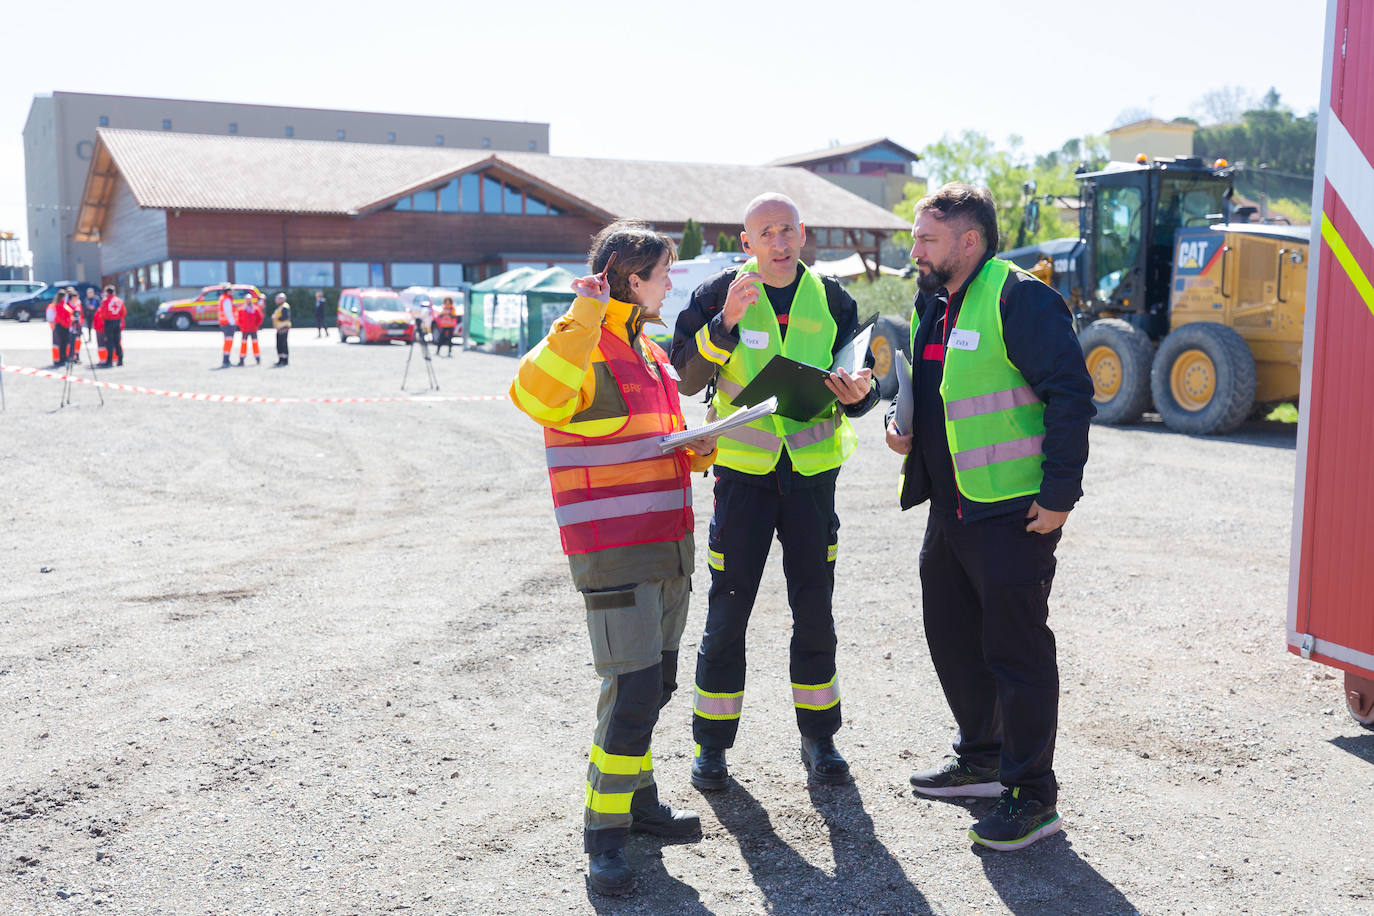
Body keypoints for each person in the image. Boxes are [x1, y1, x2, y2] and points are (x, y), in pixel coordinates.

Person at [884, 182, 1094, 852]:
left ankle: (1032, 797)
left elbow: (1070, 393)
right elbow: (933, 387)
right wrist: (901, 424)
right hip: (951, 510)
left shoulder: (1018, 296)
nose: (914, 249)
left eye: (927, 239)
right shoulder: (931, 301)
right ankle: (981, 758)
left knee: (1017, 652)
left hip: (1014, 512)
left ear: (968, 242)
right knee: (952, 635)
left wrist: (1060, 493)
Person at [510, 220, 716, 897]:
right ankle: (603, 838)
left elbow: (647, 438)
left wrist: (695, 446)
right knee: (628, 692)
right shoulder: (582, 342)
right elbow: (534, 396)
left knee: (652, 686)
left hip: (666, 544)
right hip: (614, 548)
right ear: (634, 279)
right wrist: (584, 311)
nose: (670, 284)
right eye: (664, 273)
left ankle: (639, 801)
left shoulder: (652, 354)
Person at [669, 192, 878, 791]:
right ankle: (711, 748)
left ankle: (820, 739)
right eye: (766, 233)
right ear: (747, 244)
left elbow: (862, 386)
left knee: (814, 609)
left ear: (803, 234)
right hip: (743, 481)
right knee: (728, 610)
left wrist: (858, 391)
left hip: (812, 479)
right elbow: (686, 378)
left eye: (788, 230)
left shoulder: (833, 297)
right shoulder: (718, 294)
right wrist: (725, 325)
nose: (779, 242)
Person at [94, 285, 126, 367]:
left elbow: (103, 313)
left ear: (107, 292)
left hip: (109, 322)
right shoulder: (119, 300)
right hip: (117, 322)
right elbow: (123, 313)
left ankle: (109, 360)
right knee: (117, 341)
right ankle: (120, 359)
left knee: (109, 342)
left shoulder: (105, 301)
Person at [236, 292, 264, 366]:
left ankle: (257, 358)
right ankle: (242, 359)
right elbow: (238, 319)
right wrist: (241, 326)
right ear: (245, 300)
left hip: (253, 330)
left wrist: (256, 326)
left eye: (249, 299)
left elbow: (260, 318)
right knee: (243, 344)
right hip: (244, 330)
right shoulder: (241, 309)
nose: (248, 301)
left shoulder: (255, 309)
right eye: (247, 299)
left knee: (255, 344)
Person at [217, 284, 238, 368]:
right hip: (228, 324)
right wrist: (233, 323)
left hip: (225, 323)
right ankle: (226, 360)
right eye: (232, 291)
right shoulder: (227, 300)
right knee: (228, 342)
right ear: (228, 291)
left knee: (227, 342)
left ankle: (226, 359)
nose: (233, 292)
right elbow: (228, 313)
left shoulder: (223, 298)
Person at [271, 293, 291, 367]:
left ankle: (285, 360)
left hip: (284, 328)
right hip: (279, 328)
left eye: (277, 298)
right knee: (279, 344)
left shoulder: (284, 307)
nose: (276, 300)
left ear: (281, 299)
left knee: (283, 344)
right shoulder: (280, 307)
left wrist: (276, 318)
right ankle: (280, 359)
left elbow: (285, 317)